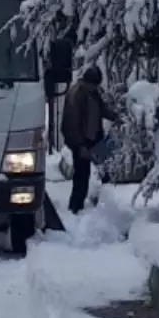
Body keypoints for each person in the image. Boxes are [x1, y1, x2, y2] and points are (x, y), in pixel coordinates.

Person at [61, 64, 116, 216]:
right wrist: (80, 145)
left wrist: (115, 115)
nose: (95, 87)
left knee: (105, 167)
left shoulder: (92, 92)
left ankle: (105, 197)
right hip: (81, 141)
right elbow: (72, 123)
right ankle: (75, 207)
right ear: (88, 82)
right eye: (94, 85)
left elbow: (101, 109)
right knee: (81, 174)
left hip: (94, 138)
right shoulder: (76, 94)